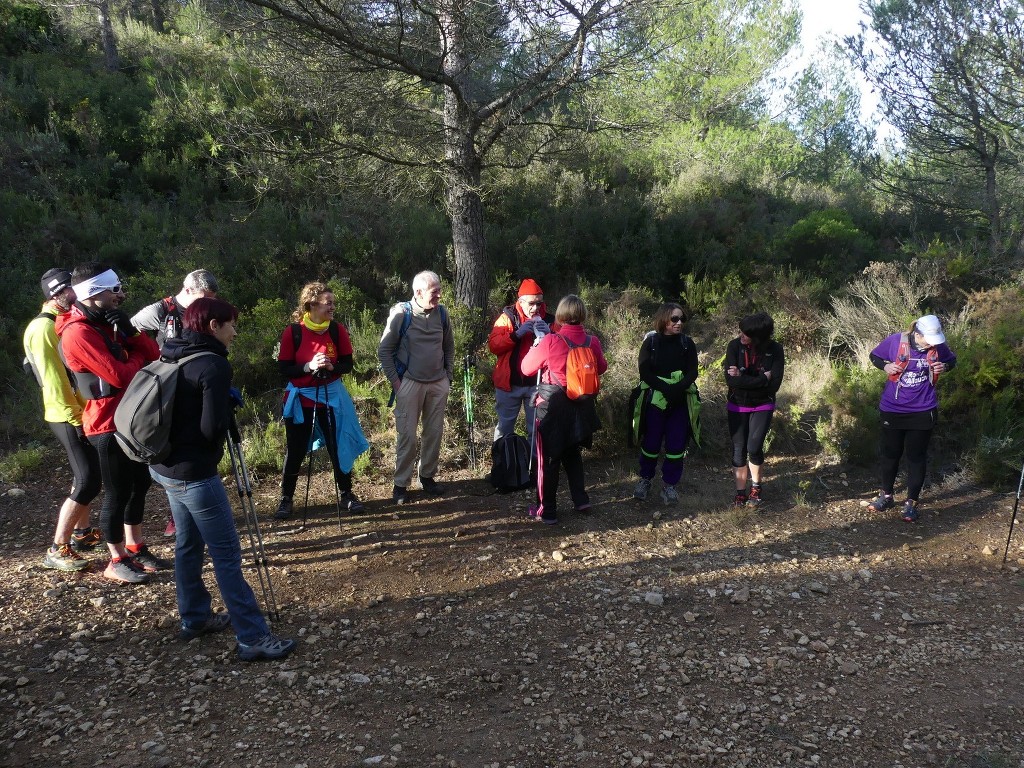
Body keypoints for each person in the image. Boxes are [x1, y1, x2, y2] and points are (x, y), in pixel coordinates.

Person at [149, 297, 296, 660]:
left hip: (164, 467)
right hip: (195, 475)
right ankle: (252, 637)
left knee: (188, 544)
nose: (235, 331)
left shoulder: (172, 350)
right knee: (227, 555)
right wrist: (226, 406)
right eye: (230, 324)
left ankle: (194, 617)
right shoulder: (213, 365)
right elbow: (211, 429)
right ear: (213, 326)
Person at [56, 262, 169, 584]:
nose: (121, 294)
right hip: (106, 425)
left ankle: (135, 547)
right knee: (117, 492)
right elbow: (120, 375)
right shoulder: (78, 332)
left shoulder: (106, 323)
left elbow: (154, 354)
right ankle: (115, 559)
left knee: (139, 485)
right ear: (94, 294)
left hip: (131, 418)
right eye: (115, 289)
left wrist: (132, 334)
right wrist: (136, 359)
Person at [23, 269, 103, 571]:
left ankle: (82, 534)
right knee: (88, 480)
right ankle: (58, 548)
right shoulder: (43, 328)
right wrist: (77, 418)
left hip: (76, 410)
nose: (80, 294)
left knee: (85, 474)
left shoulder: (57, 321)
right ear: (58, 293)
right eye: (74, 289)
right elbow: (55, 381)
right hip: (66, 413)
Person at [132, 268, 218, 538]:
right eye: (204, 297)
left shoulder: (205, 311)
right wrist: (147, 361)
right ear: (188, 289)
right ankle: (177, 516)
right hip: (166, 388)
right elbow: (130, 329)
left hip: (195, 384)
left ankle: (183, 517)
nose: (208, 304)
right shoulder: (161, 310)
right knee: (171, 450)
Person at [274, 282, 369, 520]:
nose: (333, 307)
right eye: (329, 303)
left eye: (333, 303)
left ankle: (347, 493)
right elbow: (284, 368)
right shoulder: (293, 332)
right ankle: (286, 499)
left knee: (338, 445)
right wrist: (308, 366)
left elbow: (347, 364)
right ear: (312, 304)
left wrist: (331, 366)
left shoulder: (337, 331)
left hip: (331, 397)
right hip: (301, 401)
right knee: (295, 450)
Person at [521, 294, 607, 525]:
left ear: (560, 315)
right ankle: (581, 499)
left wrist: (537, 346)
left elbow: (526, 368)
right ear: (583, 315)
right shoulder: (592, 341)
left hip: (553, 406)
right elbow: (602, 367)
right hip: (581, 406)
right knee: (572, 453)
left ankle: (546, 510)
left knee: (548, 459)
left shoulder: (552, 341)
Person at [866, 314, 957, 522]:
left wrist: (945, 367)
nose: (931, 344)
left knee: (916, 457)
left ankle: (911, 503)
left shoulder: (937, 347)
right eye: (927, 339)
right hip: (893, 409)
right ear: (917, 334)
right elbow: (874, 356)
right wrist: (886, 366)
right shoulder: (896, 341)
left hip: (923, 410)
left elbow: (952, 361)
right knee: (890, 454)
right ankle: (886, 496)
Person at [377, 271, 455, 505]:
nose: (439, 295)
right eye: (435, 291)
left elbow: (449, 346)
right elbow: (385, 350)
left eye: (439, 289)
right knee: (408, 436)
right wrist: (397, 384)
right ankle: (400, 484)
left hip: (437, 382)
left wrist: (447, 377)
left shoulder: (442, 313)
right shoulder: (402, 314)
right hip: (409, 383)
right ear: (418, 292)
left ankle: (427, 477)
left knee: (434, 433)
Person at [633, 303, 700, 506]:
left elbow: (693, 372)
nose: (679, 323)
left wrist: (677, 389)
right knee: (651, 443)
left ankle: (670, 485)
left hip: (679, 402)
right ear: (663, 320)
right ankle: (645, 479)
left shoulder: (687, 344)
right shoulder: (651, 342)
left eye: (682, 319)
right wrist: (665, 388)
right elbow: (644, 372)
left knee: (676, 445)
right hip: (655, 401)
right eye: (674, 319)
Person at [723, 312, 784, 508]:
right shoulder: (734, 346)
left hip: (762, 404)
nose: (741, 336)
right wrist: (761, 378)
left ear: (758, 336)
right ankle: (740, 493)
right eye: (741, 331)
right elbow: (731, 381)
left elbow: (774, 385)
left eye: (746, 333)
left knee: (754, 447)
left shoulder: (775, 350)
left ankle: (756, 487)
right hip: (737, 404)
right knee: (739, 449)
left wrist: (743, 377)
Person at [487, 278, 554, 444]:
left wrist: (551, 336)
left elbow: (561, 352)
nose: (536, 308)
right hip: (509, 385)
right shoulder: (507, 318)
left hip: (536, 386)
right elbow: (494, 346)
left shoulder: (549, 320)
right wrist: (516, 335)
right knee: (504, 428)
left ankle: (535, 467)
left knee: (537, 429)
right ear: (521, 301)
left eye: (539, 303)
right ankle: (502, 465)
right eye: (532, 303)